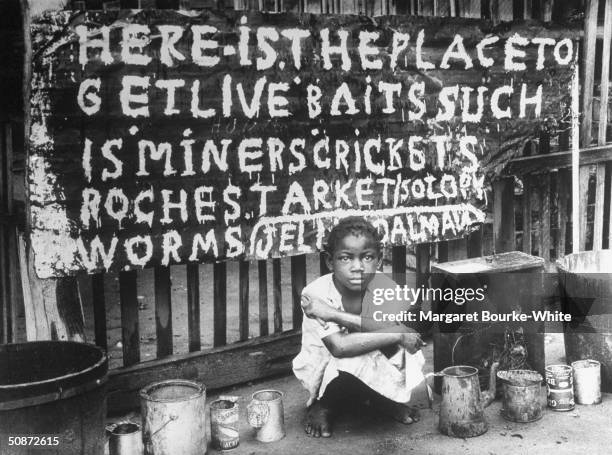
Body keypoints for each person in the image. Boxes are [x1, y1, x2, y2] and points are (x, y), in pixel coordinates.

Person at [292, 216, 426, 438]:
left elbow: (392, 328)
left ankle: (381, 398)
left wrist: (333, 314)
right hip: (325, 366)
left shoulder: (383, 285)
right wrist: (396, 334)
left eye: (367, 257)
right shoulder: (315, 294)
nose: (357, 267)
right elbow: (339, 348)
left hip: (360, 356)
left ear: (379, 259)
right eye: (345, 258)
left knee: (404, 348)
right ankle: (324, 406)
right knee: (364, 348)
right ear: (330, 261)